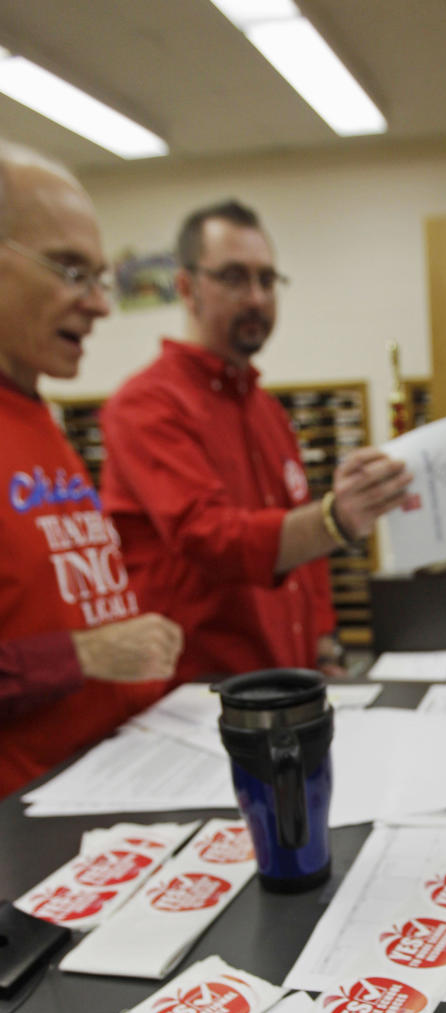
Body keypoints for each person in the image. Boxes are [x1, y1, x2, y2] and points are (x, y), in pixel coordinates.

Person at [99, 200, 412, 683]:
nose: (256, 297)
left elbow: (303, 546)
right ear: (186, 287)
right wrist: (334, 518)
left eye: (267, 280)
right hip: (198, 697)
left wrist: (325, 647)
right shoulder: (146, 406)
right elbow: (210, 537)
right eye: (233, 277)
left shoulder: (267, 411)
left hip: (290, 682)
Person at [0, 141, 183, 801]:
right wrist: (83, 655)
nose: (102, 305)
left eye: (99, 277)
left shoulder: (34, 412)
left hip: (111, 785)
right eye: (70, 270)